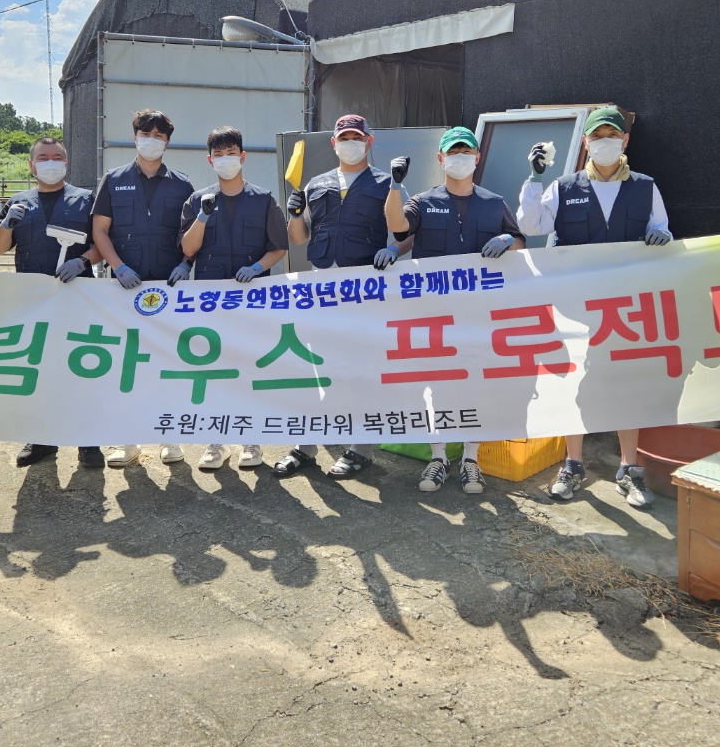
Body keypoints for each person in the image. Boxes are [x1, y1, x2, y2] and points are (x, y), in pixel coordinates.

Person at [516, 105, 673, 508]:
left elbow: (659, 227)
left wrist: (662, 236)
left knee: (625, 383)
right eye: (597, 135)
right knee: (573, 384)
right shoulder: (563, 187)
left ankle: (629, 468)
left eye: (612, 134)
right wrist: (534, 180)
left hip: (623, 306)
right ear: (585, 142)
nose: (605, 141)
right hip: (574, 306)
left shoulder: (645, 186)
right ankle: (572, 464)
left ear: (625, 140)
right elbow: (532, 225)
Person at [383, 126, 525, 496]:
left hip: (478, 315)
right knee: (434, 383)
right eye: (453, 151)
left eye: (467, 151)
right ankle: (438, 456)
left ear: (477, 157)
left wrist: (508, 239)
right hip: (433, 313)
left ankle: (471, 460)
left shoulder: (494, 203)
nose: (460, 157)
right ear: (441, 159)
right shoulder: (423, 201)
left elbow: (521, 241)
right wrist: (395, 186)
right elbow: (398, 227)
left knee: (474, 384)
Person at [277, 114, 399, 481]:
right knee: (315, 368)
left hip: (365, 290)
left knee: (361, 370)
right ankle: (306, 446)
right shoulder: (317, 184)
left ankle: (360, 449)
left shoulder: (385, 183)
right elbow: (299, 238)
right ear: (333, 143)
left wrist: (394, 249)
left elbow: (403, 229)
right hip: (322, 287)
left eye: (356, 137)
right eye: (343, 137)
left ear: (369, 141)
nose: (350, 142)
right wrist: (294, 213)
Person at [0, 135, 106, 469]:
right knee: (39, 368)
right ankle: (42, 438)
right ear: (31, 164)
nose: (50, 162)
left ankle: (88, 441)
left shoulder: (86, 200)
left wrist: (82, 262)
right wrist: (8, 222)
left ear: (66, 163)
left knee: (82, 367)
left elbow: (101, 242)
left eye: (57, 157)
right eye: (43, 157)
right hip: (34, 300)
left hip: (79, 296)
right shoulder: (18, 201)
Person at [179, 126, 289, 470]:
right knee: (214, 368)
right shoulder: (198, 200)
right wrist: (202, 216)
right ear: (209, 160)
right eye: (218, 154)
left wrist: (257, 267)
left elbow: (280, 247)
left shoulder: (263, 199)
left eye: (231, 153)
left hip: (252, 299)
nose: (225, 160)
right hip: (210, 298)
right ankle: (215, 443)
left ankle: (251, 442)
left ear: (242, 157)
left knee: (248, 366)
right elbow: (187, 249)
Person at [90, 108, 194, 468]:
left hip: (168, 287)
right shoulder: (113, 179)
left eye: (159, 135)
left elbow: (193, 236)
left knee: (168, 362)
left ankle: (170, 438)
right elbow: (100, 230)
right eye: (145, 133)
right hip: (122, 288)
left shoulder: (182, 185)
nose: (152, 140)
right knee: (125, 364)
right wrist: (117, 267)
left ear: (167, 141)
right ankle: (126, 440)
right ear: (135, 136)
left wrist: (185, 264)